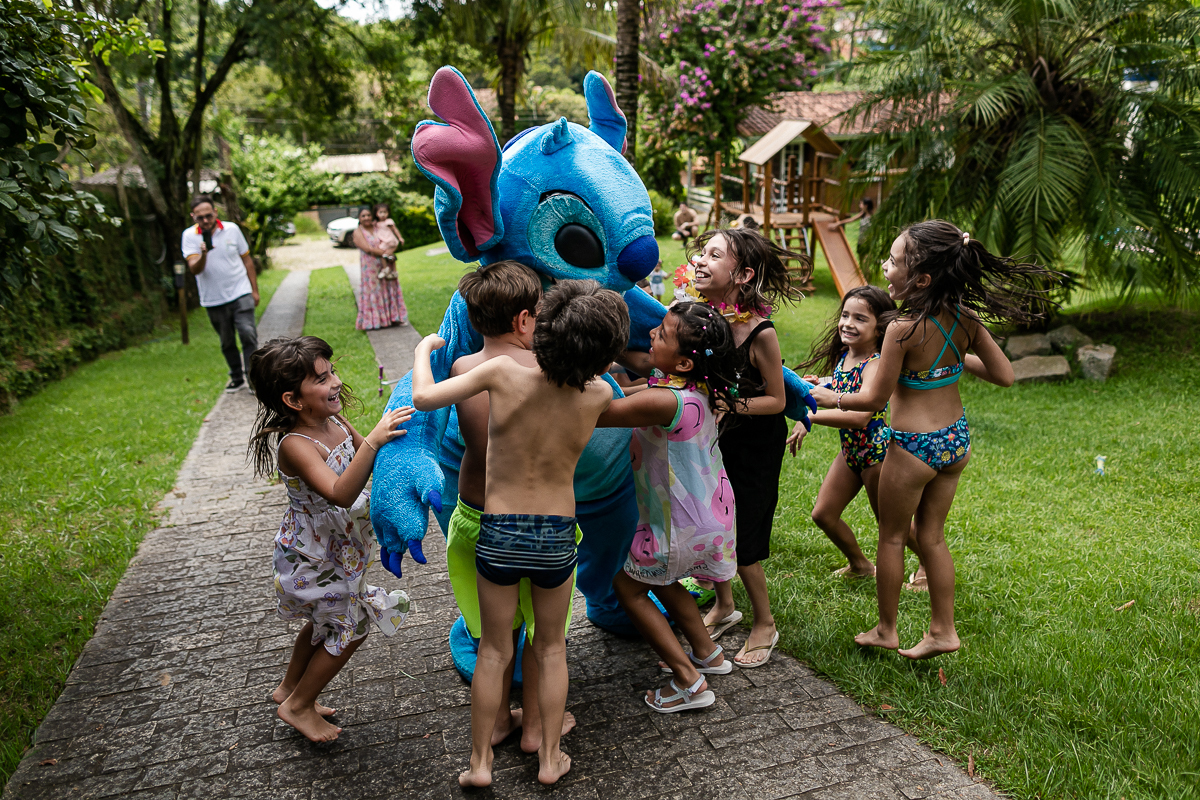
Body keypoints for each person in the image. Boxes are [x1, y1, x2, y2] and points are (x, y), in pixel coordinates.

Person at [809, 221, 1063, 659]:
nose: (885, 268)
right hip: (955, 441)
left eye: (893, 262)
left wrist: (820, 393)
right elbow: (1005, 375)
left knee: (891, 537)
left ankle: (887, 630)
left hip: (913, 446)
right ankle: (942, 630)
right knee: (932, 537)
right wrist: (946, 363)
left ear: (921, 279)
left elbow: (872, 397)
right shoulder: (964, 318)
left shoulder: (901, 329)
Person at [411, 280, 628, 788]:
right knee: (551, 648)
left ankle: (480, 766)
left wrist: (424, 348)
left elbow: (423, 397)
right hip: (556, 535)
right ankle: (550, 757)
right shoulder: (597, 393)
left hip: (499, 530)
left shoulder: (501, 372)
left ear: (539, 325)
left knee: (493, 649)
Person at [246, 336, 414, 741]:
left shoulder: (334, 422)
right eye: (322, 379)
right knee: (352, 626)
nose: (335, 381)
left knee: (326, 621)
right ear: (293, 400)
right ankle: (299, 706)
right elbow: (340, 491)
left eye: (331, 371)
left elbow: (370, 459)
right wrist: (374, 439)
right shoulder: (296, 445)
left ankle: (289, 688)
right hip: (314, 557)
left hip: (341, 549)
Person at [443, 260, 576, 753]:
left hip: (477, 517)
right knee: (546, 633)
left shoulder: (464, 370)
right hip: (542, 522)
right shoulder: (548, 374)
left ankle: (498, 721)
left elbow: (477, 441)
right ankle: (539, 729)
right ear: (524, 319)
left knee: (491, 634)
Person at [600, 302, 740, 712]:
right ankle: (707, 654)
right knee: (663, 581)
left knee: (628, 588)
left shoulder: (667, 400)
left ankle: (689, 682)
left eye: (660, 333)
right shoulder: (689, 388)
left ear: (681, 360)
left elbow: (604, 413)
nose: (650, 337)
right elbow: (634, 390)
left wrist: (586, 378)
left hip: (677, 523)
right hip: (704, 518)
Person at [683, 227, 811, 667]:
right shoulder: (701, 318)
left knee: (745, 538)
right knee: (715, 523)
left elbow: (777, 400)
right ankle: (723, 605)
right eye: (701, 252)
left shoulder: (761, 333)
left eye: (714, 255)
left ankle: (765, 622)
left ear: (743, 275)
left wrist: (731, 403)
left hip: (755, 443)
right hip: (714, 439)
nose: (700, 260)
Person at [787, 286, 900, 577]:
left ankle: (928, 565)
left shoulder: (875, 365)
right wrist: (819, 389)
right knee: (823, 514)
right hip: (851, 452)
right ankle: (861, 565)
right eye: (846, 315)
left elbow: (861, 417)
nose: (848, 323)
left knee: (890, 525)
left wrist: (809, 416)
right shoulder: (848, 356)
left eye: (860, 318)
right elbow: (840, 387)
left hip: (876, 455)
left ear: (879, 329)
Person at [182, 195, 260, 393]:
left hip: (240, 291)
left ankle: (253, 379)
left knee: (247, 333)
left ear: (216, 212)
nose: (206, 220)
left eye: (209, 215)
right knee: (227, 342)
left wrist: (254, 290)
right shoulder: (189, 237)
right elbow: (194, 269)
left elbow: (247, 260)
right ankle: (236, 376)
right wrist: (204, 253)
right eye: (201, 218)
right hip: (213, 299)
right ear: (193, 217)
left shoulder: (232, 229)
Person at [352, 206, 408, 329]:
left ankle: (392, 318)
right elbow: (368, 249)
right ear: (359, 218)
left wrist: (391, 251)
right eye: (363, 216)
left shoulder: (378, 226)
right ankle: (375, 321)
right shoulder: (358, 232)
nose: (366, 218)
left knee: (389, 289)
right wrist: (385, 254)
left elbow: (390, 239)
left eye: (368, 215)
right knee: (374, 291)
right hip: (370, 266)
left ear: (373, 216)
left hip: (386, 264)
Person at [374, 202, 405, 280]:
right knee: (390, 256)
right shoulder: (376, 223)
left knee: (382, 253)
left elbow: (395, 229)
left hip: (390, 241)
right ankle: (394, 272)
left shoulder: (388, 221)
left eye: (385, 212)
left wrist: (400, 238)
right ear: (376, 213)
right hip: (385, 241)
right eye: (381, 212)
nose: (383, 214)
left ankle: (385, 269)